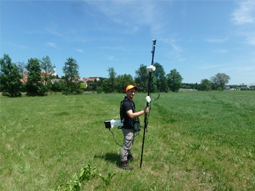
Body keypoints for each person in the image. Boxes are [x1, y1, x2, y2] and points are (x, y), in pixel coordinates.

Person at [120, 85, 149, 170]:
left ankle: (128, 156)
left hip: (131, 126)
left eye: (134, 92)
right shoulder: (126, 103)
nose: (133, 93)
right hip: (127, 127)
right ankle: (123, 163)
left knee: (130, 143)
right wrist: (143, 111)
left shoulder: (130, 102)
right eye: (131, 91)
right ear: (127, 92)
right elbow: (131, 115)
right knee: (126, 144)